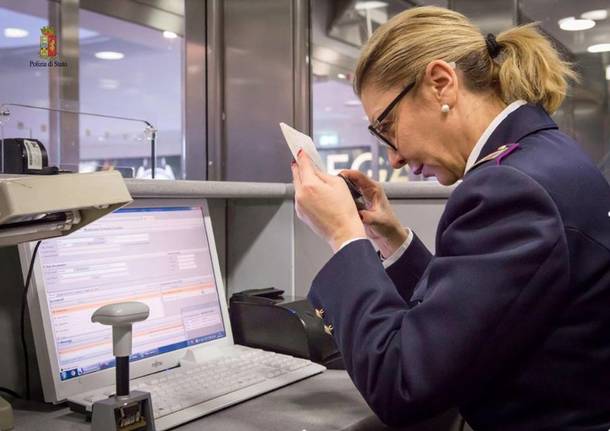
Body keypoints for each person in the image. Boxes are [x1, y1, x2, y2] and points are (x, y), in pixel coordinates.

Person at [291, 6, 610, 431]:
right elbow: (479, 311)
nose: (395, 156)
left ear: (441, 83)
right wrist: (392, 237)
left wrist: (343, 236)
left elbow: (403, 383)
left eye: (386, 124)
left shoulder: (511, 189)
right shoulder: (541, 156)